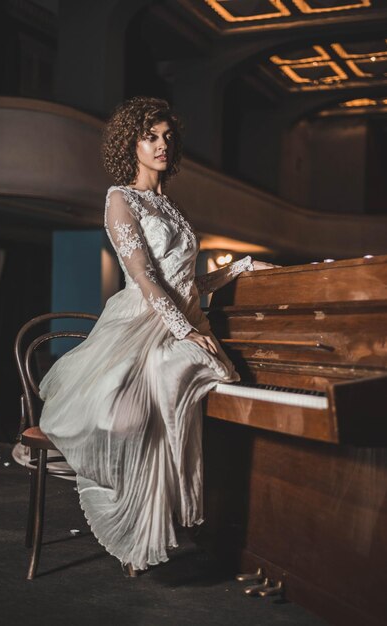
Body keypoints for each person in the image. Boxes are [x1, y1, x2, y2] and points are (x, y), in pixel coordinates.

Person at [39, 96, 275, 577]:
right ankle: (135, 513)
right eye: (151, 136)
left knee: (192, 377)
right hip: (141, 320)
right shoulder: (119, 197)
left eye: (168, 136)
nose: (162, 144)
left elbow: (187, 282)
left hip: (179, 315)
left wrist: (241, 268)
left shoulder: (173, 205)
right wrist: (186, 327)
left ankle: (211, 522)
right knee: (162, 383)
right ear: (132, 144)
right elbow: (146, 279)